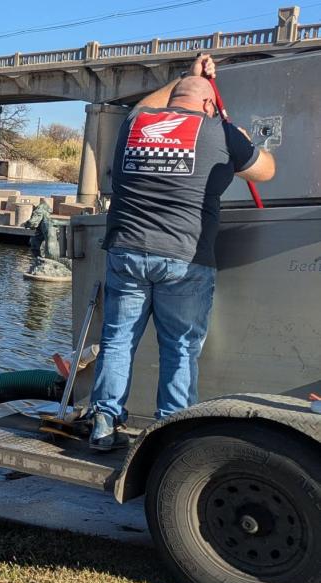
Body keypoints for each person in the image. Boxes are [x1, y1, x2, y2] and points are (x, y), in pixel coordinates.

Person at [89, 53, 276, 451]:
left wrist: (187, 77)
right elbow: (266, 171)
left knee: (118, 341)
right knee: (179, 349)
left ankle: (104, 423)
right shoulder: (221, 133)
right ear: (210, 105)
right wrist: (238, 138)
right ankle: (171, 433)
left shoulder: (135, 125)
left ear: (173, 97)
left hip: (126, 251)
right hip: (184, 260)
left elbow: (145, 105)